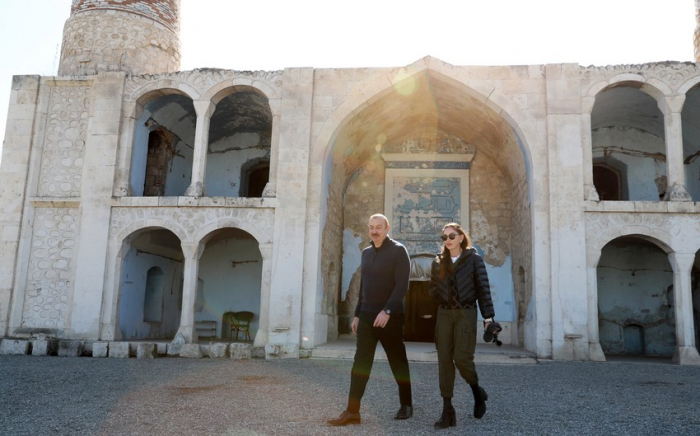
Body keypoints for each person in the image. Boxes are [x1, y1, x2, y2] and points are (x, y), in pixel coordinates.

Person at [328, 213, 413, 426]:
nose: (374, 231)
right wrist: (357, 314)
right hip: (366, 316)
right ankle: (352, 412)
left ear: (387, 228)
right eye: (371, 227)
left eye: (378, 227)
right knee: (360, 363)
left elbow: (402, 286)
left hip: (390, 317)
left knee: (397, 361)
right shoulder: (365, 253)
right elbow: (364, 286)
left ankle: (406, 404)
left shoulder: (398, 251)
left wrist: (388, 311)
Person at [428, 222, 495, 429]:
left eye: (452, 236)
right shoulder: (438, 262)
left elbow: (483, 289)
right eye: (444, 237)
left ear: (461, 238)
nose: (447, 240)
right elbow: (431, 287)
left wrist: (488, 318)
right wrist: (438, 296)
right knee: (444, 360)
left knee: (463, 358)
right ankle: (448, 410)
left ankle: (477, 392)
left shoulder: (474, 260)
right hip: (445, 314)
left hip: (466, 313)